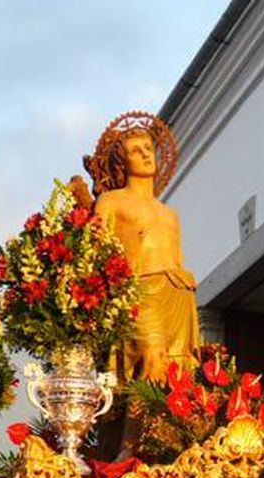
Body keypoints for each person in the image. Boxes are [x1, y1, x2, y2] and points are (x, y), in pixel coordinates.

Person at [89, 112, 198, 386]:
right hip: (140, 293)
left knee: (179, 372)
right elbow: (95, 252)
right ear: (122, 162)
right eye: (136, 151)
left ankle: (173, 428)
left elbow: (177, 256)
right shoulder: (111, 201)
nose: (146, 155)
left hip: (178, 293)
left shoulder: (169, 213)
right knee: (152, 356)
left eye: (148, 148)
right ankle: (138, 428)